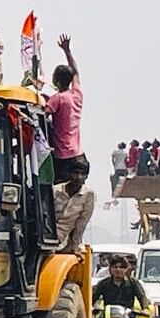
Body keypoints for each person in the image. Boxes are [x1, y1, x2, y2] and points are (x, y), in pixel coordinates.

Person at [92, 254, 150, 318]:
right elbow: (92, 298)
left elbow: (142, 297)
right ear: (110, 269)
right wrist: (90, 308)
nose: (118, 270)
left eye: (121, 267)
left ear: (126, 269)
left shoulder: (133, 283)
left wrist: (144, 309)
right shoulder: (103, 283)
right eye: (115, 267)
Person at [47, 34, 84, 183]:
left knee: (58, 199)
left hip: (63, 158)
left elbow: (43, 114)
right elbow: (75, 72)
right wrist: (68, 52)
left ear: (55, 80)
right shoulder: (77, 94)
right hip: (79, 156)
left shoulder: (57, 99)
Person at [53, 156, 94, 253]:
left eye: (82, 174)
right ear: (69, 174)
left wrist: (75, 246)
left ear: (86, 177)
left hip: (63, 244)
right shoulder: (55, 191)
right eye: (75, 173)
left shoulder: (88, 195)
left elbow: (81, 223)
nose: (78, 177)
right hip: (46, 239)